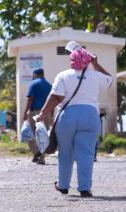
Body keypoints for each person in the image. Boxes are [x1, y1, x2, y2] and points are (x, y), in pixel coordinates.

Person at [38, 45, 113, 198]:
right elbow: (109, 80)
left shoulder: (63, 75)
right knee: (86, 153)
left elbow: (55, 97)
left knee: (65, 152)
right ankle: (84, 188)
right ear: (88, 61)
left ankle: (63, 185)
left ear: (71, 60)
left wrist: (43, 113)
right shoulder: (95, 75)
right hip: (91, 116)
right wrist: (96, 64)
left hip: (68, 116)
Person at [23, 68, 52, 165]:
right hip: (46, 113)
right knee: (43, 136)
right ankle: (41, 157)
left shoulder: (34, 83)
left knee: (30, 134)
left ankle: (37, 152)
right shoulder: (49, 85)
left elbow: (30, 99)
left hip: (35, 112)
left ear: (35, 74)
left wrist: (26, 111)